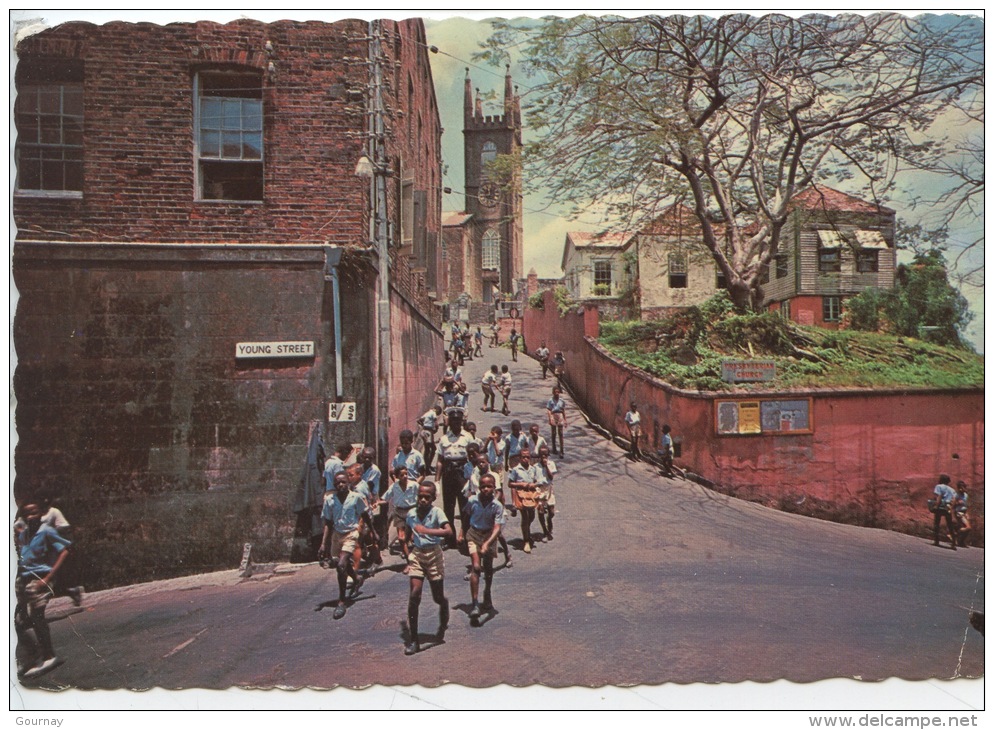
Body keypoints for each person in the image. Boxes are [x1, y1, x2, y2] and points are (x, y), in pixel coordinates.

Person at [15, 500, 72, 679]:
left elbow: (64, 551)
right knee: (18, 620)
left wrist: (47, 579)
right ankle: (32, 655)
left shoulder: (47, 531)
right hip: (23, 579)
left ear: (41, 513)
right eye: (27, 513)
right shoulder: (24, 535)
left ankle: (49, 656)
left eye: (34, 512)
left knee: (36, 616)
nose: (31, 516)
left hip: (40, 579)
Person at [403, 481, 452, 654]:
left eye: (427, 497)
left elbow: (448, 531)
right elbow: (408, 533)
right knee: (414, 594)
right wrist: (407, 550)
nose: (423, 500)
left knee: (437, 597)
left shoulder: (437, 512)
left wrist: (427, 531)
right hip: (417, 554)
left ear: (433, 498)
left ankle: (444, 605)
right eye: (420, 496)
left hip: (434, 554)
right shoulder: (411, 513)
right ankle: (414, 639)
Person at [320, 472, 371, 619]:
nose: (340, 485)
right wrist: (324, 543)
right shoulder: (330, 500)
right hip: (337, 535)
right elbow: (328, 522)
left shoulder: (356, 498)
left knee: (341, 565)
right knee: (341, 564)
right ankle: (356, 579)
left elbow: (365, 515)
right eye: (337, 483)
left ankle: (341, 601)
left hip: (351, 534)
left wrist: (372, 533)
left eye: (343, 482)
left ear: (348, 482)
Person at [458, 473, 504, 624]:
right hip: (473, 534)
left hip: (489, 536)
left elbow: (497, 528)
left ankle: (487, 592)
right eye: (483, 486)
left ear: (494, 488)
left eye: (489, 486)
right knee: (476, 567)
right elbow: (465, 516)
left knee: (488, 568)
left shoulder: (497, 505)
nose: (485, 489)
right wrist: (461, 533)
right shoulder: (472, 501)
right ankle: (475, 603)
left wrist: (487, 543)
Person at [435, 407, 472, 549]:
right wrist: (437, 481)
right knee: (448, 507)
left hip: (463, 473)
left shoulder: (467, 437)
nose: (456, 424)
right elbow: (440, 460)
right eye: (453, 421)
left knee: (465, 507)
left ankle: (467, 538)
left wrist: (472, 478)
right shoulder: (444, 439)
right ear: (449, 423)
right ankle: (450, 539)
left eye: (458, 421)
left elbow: (472, 457)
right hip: (448, 473)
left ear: (462, 422)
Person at [379, 465, 419, 566]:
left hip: (412, 512)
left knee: (411, 537)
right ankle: (408, 561)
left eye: (406, 474)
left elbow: (422, 496)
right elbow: (386, 498)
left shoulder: (414, 485)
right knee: (401, 538)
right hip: (399, 512)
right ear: (397, 476)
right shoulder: (394, 486)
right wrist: (377, 503)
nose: (405, 476)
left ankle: (416, 556)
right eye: (402, 475)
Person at [508, 448, 540, 553]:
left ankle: (526, 530)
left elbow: (537, 481)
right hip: (521, 495)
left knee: (531, 516)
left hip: (531, 494)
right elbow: (510, 483)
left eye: (527, 457)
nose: (525, 459)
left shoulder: (533, 469)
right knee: (525, 517)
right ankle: (526, 540)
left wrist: (534, 485)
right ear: (520, 458)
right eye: (523, 457)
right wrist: (521, 484)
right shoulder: (516, 470)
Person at [535, 445, 558, 541]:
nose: (543, 457)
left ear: (548, 455)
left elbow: (551, 477)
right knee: (540, 511)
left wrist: (546, 466)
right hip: (540, 489)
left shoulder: (551, 464)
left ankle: (549, 520)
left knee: (551, 511)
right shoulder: (535, 466)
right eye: (541, 455)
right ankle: (545, 530)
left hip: (548, 489)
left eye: (545, 455)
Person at [930, 474, 958, 550]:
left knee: (937, 523)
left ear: (941, 480)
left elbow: (939, 496)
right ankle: (953, 543)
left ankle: (936, 540)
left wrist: (936, 505)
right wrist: (951, 508)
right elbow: (954, 499)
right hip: (948, 507)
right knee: (950, 525)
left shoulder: (939, 486)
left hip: (940, 507)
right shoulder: (952, 490)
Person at [417, 405, 442, 470]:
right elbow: (436, 423)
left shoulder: (427, 413)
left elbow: (419, 420)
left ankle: (426, 466)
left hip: (424, 431)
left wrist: (423, 426)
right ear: (437, 410)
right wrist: (436, 429)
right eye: (438, 413)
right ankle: (428, 466)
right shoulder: (433, 413)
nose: (437, 414)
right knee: (433, 448)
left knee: (427, 449)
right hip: (428, 432)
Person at [546, 386, 568, 456]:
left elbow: (563, 410)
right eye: (555, 392)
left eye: (558, 392)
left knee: (560, 433)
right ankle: (554, 448)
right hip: (553, 414)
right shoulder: (550, 400)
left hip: (560, 415)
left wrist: (565, 420)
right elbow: (549, 410)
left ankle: (561, 450)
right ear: (553, 393)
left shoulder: (562, 401)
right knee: (554, 433)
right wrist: (550, 418)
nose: (557, 393)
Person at [953, 481, 971, 548]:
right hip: (959, 513)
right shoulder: (956, 495)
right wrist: (958, 502)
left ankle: (961, 541)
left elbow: (966, 505)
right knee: (968, 527)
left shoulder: (965, 495)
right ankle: (954, 534)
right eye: (960, 488)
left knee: (967, 528)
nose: (962, 489)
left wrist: (967, 513)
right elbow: (953, 505)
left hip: (964, 512)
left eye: (963, 487)